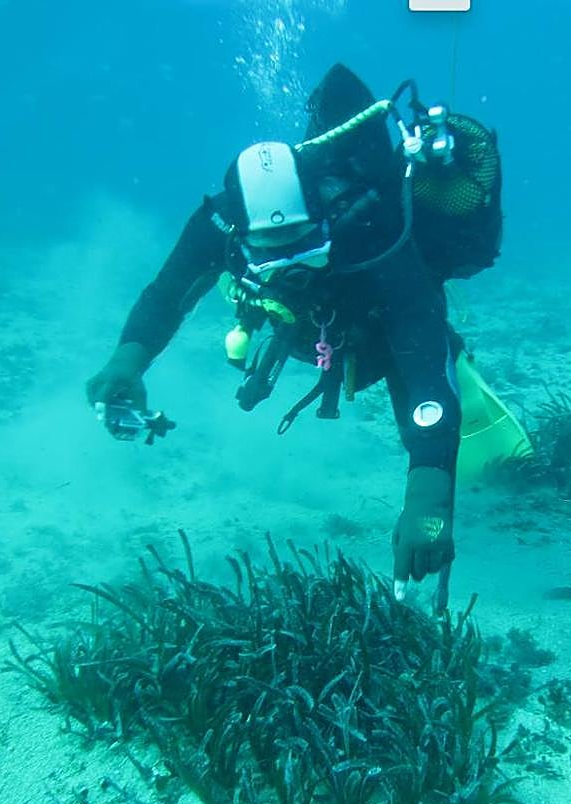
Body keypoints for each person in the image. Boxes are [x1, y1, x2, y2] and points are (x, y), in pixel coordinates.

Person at [85, 64, 527, 612]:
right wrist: (127, 362)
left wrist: (429, 496)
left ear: (322, 219)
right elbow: (166, 295)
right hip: (300, 330)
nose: (292, 271)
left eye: (304, 249)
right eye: (272, 259)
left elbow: (419, 354)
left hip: (376, 322)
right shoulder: (219, 223)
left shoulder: (371, 232)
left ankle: (458, 394)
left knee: (419, 357)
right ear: (240, 236)